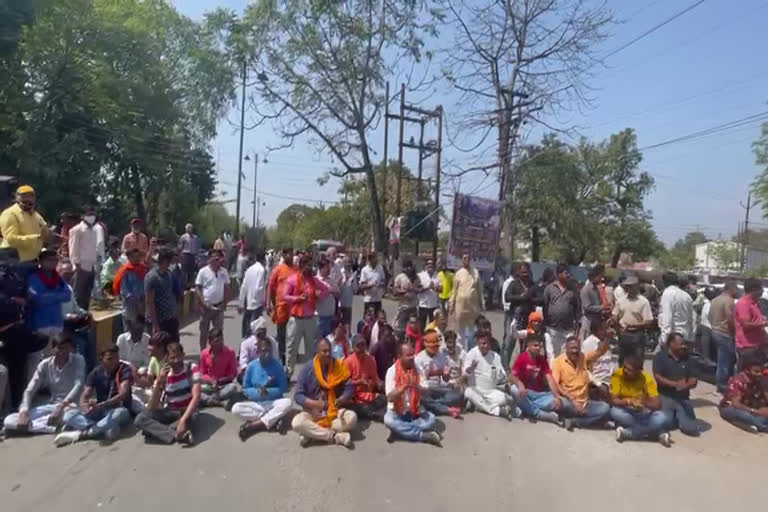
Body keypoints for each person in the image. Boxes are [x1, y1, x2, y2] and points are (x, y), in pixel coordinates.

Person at [3, 333, 85, 435]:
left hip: (70, 406)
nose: (63, 352)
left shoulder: (79, 360)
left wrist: (62, 406)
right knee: (9, 420)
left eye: (66, 349)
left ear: (71, 349)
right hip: (51, 405)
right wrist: (24, 411)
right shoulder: (45, 364)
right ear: (53, 349)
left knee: (68, 418)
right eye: (60, 348)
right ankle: (50, 429)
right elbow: (30, 390)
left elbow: (79, 384)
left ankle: (32, 427)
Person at [52, 345, 133, 446]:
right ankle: (103, 429)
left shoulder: (125, 369)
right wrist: (85, 406)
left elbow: (123, 394)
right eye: (110, 359)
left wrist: (102, 405)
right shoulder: (95, 372)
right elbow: (85, 395)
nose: (115, 361)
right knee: (68, 415)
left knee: (120, 413)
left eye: (117, 357)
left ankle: (82, 433)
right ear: (101, 359)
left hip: (118, 409)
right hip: (100, 411)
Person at [291, 338, 356, 448]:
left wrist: (343, 398)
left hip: (334, 412)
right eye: (324, 351)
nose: (328, 354)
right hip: (313, 412)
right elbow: (298, 396)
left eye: (329, 351)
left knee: (352, 418)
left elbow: (350, 387)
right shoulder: (307, 369)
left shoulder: (338, 365)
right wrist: (315, 404)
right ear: (317, 352)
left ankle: (311, 433)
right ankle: (335, 436)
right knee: (297, 423)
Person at [134, 341, 200, 445]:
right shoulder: (164, 374)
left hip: (188, 411)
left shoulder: (191, 367)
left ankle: (163, 431)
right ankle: (176, 434)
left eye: (179, 356)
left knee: (184, 421)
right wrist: (159, 382)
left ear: (183, 355)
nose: (176, 360)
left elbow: (196, 397)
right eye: (173, 358)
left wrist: (183, 420)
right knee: (140, 419)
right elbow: (152, 407)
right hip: (170, 411)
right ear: (167, 359)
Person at [232, 337, 292, 440]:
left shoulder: (277, 365)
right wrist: (257, 392)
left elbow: (283, 388)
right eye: (264, 351)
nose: (267, 354)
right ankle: (273, 420)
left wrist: (268, 392)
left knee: (288, 402)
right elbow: (245, 388)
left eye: (269, 351)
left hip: (273, 402)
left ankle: (255, 425)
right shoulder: (251, 366)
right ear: (258, 352)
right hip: (257, 404)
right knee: (236, 409)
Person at [383, 341, 442, 445]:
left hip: (414, 412)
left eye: (412, 354)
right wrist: (403, 387)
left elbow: (426, 390)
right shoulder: (391, 371)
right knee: (388, 420)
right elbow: (390, 398)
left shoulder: (418, 368)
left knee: (432, 420)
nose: (412, 357)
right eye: (408, 355)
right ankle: (423, 436)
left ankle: (399, 430)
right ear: (399, 356)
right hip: (396, 412)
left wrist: (415, 385)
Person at [26, 248, 71, 375]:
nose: (52, 263)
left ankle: (49, 385)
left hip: (56, 321)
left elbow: (67, 295)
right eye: (49, 260)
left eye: (54, 260)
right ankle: (34, 387)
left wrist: (48, 296)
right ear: (41, 261)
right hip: (40, 322)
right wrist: (56, 296)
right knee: (36, 359)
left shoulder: (57, 277)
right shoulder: (33, 277)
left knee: (54, 357)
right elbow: (37, 298)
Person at [551, 336, 611, 431]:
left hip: (585, 403)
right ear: (566, 349)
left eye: (577, 348)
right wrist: (573, 401)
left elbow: (600, 351)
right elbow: (555, 384)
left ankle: (575, 422)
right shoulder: (558, 362)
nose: (575, 351)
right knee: (560, 404)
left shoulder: (583, 357)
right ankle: (585, 418)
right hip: (569, 402)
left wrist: (608, 337)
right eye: (572, 348)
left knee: (605, 408)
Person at [611, 353, 672, 446]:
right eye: (625, 367)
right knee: (614, 412)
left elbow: (657, 404)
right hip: (627, 411)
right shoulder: (617, 375)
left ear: (638, 371)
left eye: (629, 370)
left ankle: (628, 433)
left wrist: (644, 401)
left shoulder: (646, 379)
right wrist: (629, 401)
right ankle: (655, 432)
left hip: (643, 412)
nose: (625, 371)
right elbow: (614, 400)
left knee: (662, 417)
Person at [283, 254, 330, 376]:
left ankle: (309, 375)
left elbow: (326, 290)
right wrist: (297, 298)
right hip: (296, 319)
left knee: (310, 349)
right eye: (308, 265)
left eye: (311, 265)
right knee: (292, 347)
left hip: (310, 318)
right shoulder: (292, 279)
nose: (310, 268)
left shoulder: (313, 280)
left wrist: (318, 296)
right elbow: (284, 296)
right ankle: (288, 374)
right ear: (301, 266)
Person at [653, 332, 700, 437]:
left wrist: (686, 385)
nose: (684, 346)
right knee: (665, 424)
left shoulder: (689, 359)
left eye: (684, 344)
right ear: (671, 344)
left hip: (683, 397)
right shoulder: (660, 357)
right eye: (681, 344)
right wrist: (674, 384)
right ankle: (673, 416)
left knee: (691, 429)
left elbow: (694, 380)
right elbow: (658, 377)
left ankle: (678, 416)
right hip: (665, 395)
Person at [509, 336, 562, 424]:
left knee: (556, 402)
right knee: (514, 389)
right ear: (528, 346)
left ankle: (526, 407)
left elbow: (549, 379)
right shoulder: (522, 358)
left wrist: (557, 397)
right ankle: (539, 414)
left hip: (539, 395)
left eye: (540, 346)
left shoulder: (542, 360)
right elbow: (511, 376)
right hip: (525, 393)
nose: (539, 348)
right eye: (536, 346)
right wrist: (520, 384)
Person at [463, 331, 515, 419]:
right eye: (483, 343)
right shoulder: (472, 354)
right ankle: (498, 411)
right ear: (478, 342)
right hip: (475, 389)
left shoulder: (495, 356)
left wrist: (499, 374)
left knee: (503, 398)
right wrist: (471, 368)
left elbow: (502, 376)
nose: (486, 346)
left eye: (487, 343)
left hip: (491, 391)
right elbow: (465, 372)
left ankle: (477, 405)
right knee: (468, 392)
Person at [415, 331, 463, 418]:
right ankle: (446, 409)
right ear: (426, 344)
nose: (435, 348)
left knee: (458, 396)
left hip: (440, 388)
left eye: (436, 346)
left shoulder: (442, 356)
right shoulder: (419, 359)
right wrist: (431, 373)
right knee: (420, 397)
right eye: (433, 346)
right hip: (426, 389)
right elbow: (419, 381)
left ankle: (432, 406)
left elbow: (446, 379)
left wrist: (446, 375)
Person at [0, 185, 51, 262]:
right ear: (17, 198)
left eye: (31, 195)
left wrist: (50, 235)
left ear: (34, 198)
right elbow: (11, 239)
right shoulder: (10, 213)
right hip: (14, 261)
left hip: (33, 259)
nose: (28, 198)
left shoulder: (36, 215)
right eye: (24, 195)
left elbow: (45, 231)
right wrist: (37, 238)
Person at [542, 264, 580, 365]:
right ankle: (552, 379)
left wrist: (577, 329)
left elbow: (577, 310)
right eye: (566, 273)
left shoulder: (573, 289)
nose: (569, 275)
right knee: (552, 357)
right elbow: (545, 307)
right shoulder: (549, 288)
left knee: (566, 356)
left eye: (569, 273)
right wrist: (546, 324)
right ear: (558, 274)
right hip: (552, 329)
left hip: (568, 330)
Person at [718, 355, 768, 432]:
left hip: (749, 409)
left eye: (761, 371)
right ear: (747, 370)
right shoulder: (738, 381)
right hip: (731, 408)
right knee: (746, 416)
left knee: (762, 416)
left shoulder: (758, 380)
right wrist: (756, 411)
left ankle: (752, 424)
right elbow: (736, 404)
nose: (760, 374)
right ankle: (760, 426)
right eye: (756, 372)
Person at [611, 275, 653, 364]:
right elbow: (615, 315)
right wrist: (614, 322)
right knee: (622, 360)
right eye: (627, 286)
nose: (629, 288)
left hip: (638, 335)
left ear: (637, 286)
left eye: (631, 286)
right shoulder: (621, 301)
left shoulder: (644, 302)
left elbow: (648, 321)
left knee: (637, 361)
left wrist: (634, 325)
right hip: (624, 334)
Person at [195, 249, 230, 352]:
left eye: (218, 258)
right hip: (205, 308)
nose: (216, 259)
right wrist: (203, 303)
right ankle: (203, 353)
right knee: (204, 333)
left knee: (219, 332)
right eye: (214, 257)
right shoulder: (203, 271)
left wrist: (225, 303)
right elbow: (197, 288)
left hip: (219, 307)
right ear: (209, 259)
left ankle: (219, 353)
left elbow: (227, 288)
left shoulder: (224, 272)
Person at [344, 334, 386, 421]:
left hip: (368, 394)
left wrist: (379, 383)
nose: (361, 348)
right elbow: (344, 384)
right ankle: (373, 413)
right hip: (354, 397)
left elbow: (375, 378)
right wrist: (359, 382)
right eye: (358, 346)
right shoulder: (348, 362)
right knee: (352, 407)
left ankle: (371, 412)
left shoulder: (371, 359)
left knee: (384, 399)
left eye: (363, 345)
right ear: (353, 348)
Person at [449, 253, 485, 349]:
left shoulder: (475, 272)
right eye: (464, 258)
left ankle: (471, 349)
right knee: (461, 331)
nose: (466, 260)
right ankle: (461, 350)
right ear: (462, 260)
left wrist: (482, 303)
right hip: (461, 306)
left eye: (468, 258)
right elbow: (454, 290)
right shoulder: (458, 273)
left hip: (473, 306)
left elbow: (479, 290)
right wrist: (451, 305)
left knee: (472, 330)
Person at [67, 205, 99, 309]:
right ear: (83, 216)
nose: (91, 217)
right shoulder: (76, 230)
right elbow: (73, 248)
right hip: (81, 266)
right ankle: (77, 318)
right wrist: (77, 265)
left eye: (93, 215)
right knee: (78, 295)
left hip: (92, 266)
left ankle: (85, 316)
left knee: (87, 295)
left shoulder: (94, 231)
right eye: (89, 214)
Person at [267, 247, 295, 364]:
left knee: (292, 334)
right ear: (283, 255)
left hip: (294, 308)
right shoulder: (278, 270)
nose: (291, 256)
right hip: (281, 308)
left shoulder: (296, 270)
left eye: (292, 254)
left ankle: (290, 356)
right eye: (288, 254)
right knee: (282, 334)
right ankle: (282, 356)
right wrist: (268, 303)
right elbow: (271, 287)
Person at [144, 249, 179, 340]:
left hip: (170, 318)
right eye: (169, 261)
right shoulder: (152, 277)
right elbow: (149, 301)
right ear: (164, 260)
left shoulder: (168, 274)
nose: (171, 263)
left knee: (173, 345)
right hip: (159, 320)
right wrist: (155, 324)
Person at [710, 282, 738, 392]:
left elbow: (709, 315)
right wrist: (733, 334)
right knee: (725, 362)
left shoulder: (715, 300)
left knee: (721, 360)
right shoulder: (729, 301)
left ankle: (720, 383)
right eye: (735, 290)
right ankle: (722, 386)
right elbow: (730, 318)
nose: (737, 292)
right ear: (731, 289)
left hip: (715, 331)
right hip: (725, 333)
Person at [503, 262, 534, 360]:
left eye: (526, 272)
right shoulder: (514, 284)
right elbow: (507, 297)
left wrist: (530, 297)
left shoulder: (532, 285)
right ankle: (505, 367)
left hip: (528, 319)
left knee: (525, 345)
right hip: (515, 318)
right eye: (522, 272)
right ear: (519, 273)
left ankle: (523, 365)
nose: (525, 274)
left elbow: (538, 298)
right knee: (509, 343)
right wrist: (520, 297)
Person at [581, 321, 618, 400]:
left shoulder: (606, 341)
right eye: (604, 329)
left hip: (610, 380)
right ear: (595, 331)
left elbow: (610, 363)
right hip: (598, 382)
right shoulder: (588, 344)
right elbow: (583, 368)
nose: (607, 331)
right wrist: (598, 384)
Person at [734, 277, 768, 362]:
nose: (762, 291)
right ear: (753, 289)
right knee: (749, 373)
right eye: (761, 288)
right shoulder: (743, 304)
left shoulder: (755, 303)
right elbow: (746, 325)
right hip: (748, 347)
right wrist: (765, 323)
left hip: (758, 345)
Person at [114, 247, 147, 329]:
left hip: (143, 304)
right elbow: (125, 291)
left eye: (138, 256)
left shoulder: (143, 269)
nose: (137, 259)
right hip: (130, 305)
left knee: (142, 329)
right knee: (130, 329)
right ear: (128, 258)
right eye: (134, 257)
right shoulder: (125, 271)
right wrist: (136, 301)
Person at [238, 249, 267, 338]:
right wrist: (262, 301)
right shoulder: (262, 270)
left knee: (247, 327)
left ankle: (244, 345)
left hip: (248, 302)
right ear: (264, 259)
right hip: (257, 303)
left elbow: (243, 287)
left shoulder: (249, 269)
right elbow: (260, 287)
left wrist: (241, 303)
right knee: (255, 329)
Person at [659, 272, 694, 342]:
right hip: (685, 336)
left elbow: (667, 317)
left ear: (664, 282)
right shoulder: (686, 296)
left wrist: (665, 339)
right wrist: (691, 338)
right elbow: (691, 319)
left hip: (673, 338)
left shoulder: (667, 293)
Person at [580, 264, 609, 341]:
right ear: (595, 276)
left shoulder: (598, 289)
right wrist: (602, 307)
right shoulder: (585, 290)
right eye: (600, 276)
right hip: (589, 323)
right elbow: (587, 307)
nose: (601, 278)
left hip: (598, 323)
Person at [392, 259, 420, 334]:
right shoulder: (400, 277)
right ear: (403, 268)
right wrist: (404, 292)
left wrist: (414, 289)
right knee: (401, 330)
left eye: (410, 267)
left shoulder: (416, 277)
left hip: (413, 307)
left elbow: (420, 288)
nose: (408, 269)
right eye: (406, 267)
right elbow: (394, 291)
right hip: (403, 307)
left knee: (413, 329)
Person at [315, 257, 340, 338]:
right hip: (319, 316)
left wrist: (332, 291)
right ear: (321, 268)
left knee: (329, 340)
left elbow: (338, 294)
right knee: (317, 341)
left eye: (330, 268)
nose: (329, 270)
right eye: (327, 268)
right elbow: (315, 296)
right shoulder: (316, 280)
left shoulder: (331, 280)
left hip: (330, 316)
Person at [417, 259, 442, 329]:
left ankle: (430, 339)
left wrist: (434, 287)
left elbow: (441, 289)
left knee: (433, 325)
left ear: (434, 266)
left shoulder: (437, 276)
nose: (430, 265)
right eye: (428, 264)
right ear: (425, 266)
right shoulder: (420, 275)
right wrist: (428, 287)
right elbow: (417, 289)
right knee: (422, 324)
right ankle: (421, 339)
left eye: (432, 264)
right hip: (423, 304)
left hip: (433, 305)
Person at [178, 223, 200, 287]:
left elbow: (197, 247)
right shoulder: (183, 237)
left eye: (191, 228)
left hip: (193, 255)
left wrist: (197, 256)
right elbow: (180, 246)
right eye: (188, 228)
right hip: (185, 254)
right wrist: (179, 255)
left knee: (192, 271)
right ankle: (183, 285)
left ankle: (191, 284)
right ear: (186, 229)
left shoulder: (195, 237)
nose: (190, 229)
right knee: (184, 270)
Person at [338, 254, 358, 330]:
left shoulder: (353, 274)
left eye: (350, 262)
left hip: (348, 305)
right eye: (347, 262)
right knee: (338, 327)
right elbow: (338, 288)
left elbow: (355, 290)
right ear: (344, 263)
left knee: (347, 328)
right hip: (339, 305)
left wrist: (352, 281)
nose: (349, 264)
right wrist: (344, 280)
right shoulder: (339, 272)